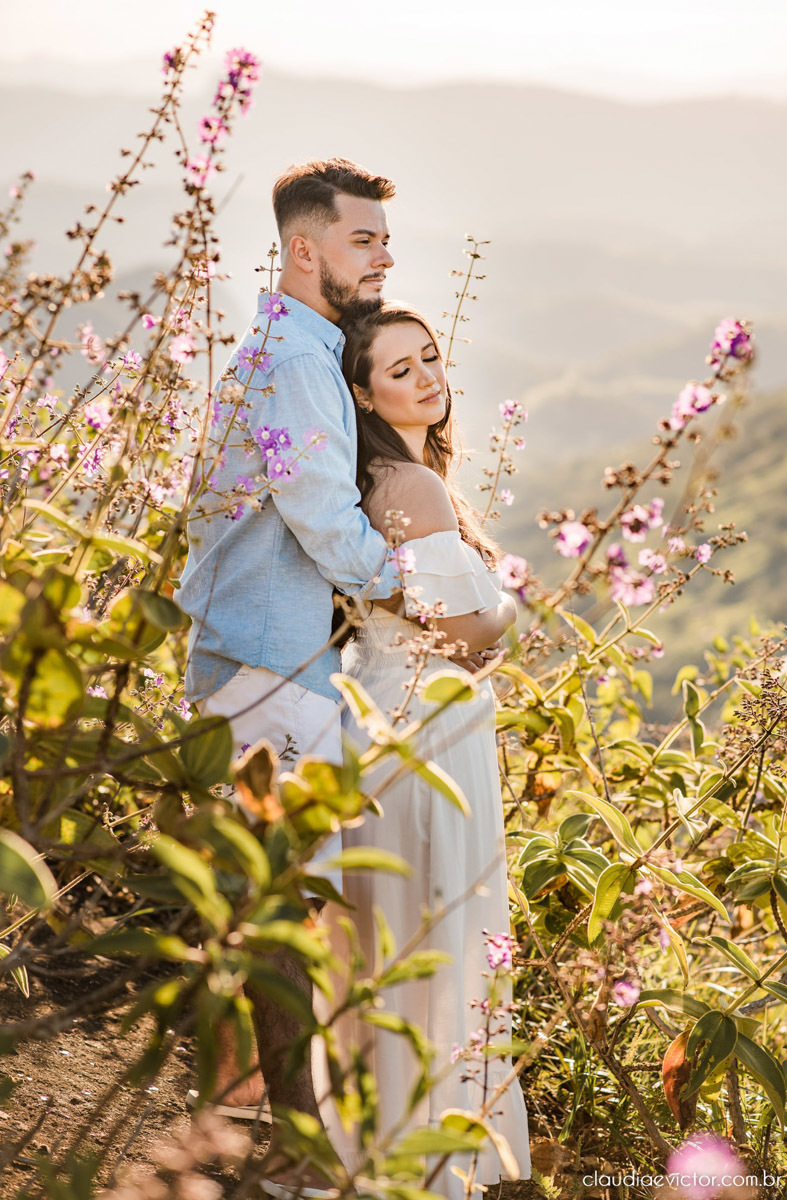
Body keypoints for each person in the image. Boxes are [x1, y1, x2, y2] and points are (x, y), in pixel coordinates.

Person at [177, 158, 404, 1194]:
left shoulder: (295, 348)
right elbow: (326, 525)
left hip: (266, 657)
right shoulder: (294, 362)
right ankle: (296, 1157)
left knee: (271, 901)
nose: (384, 255)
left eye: (383, 240)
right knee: (281, 907)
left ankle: (252, 1136)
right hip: (268, 666)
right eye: (365, 239)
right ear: (305, 248)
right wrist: (437, 586)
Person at [328, 304, 533, 1198]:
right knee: (434, 936)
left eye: (431, 357)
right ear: (364, 394)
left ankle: (394, 1144)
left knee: (402, 940)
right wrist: (515, 608)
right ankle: (422, 1159)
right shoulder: (408, 488)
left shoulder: (402, 475)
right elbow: (465, 635)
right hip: (420, 736)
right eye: (400, 369)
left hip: (404, 721)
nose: (427, 378)